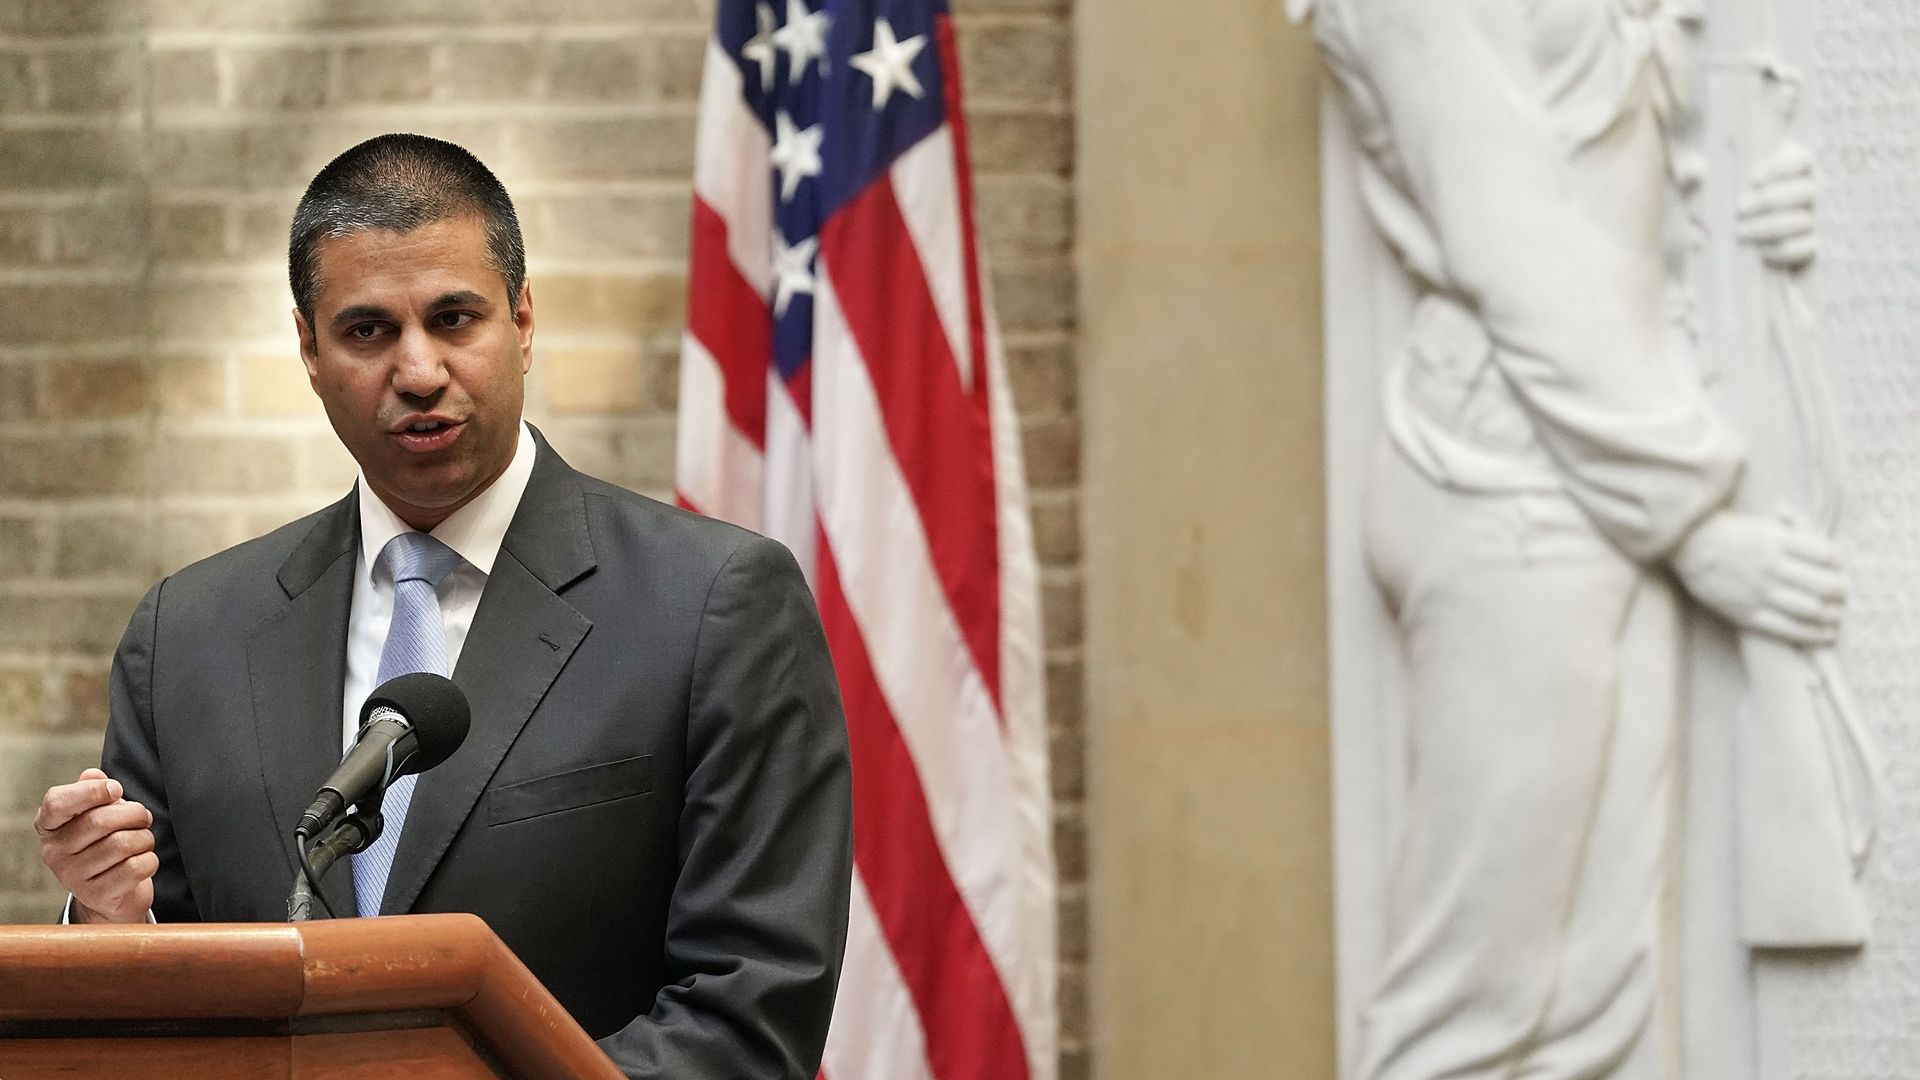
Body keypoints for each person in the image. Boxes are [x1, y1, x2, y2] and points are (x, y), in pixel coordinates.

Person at [30, 133, 852, 1079]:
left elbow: (750, 1013)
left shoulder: (714, 604)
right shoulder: (187, 636)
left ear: (524, 322)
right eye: (367, 331)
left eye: (455, 318)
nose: (419, 371)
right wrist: (107, 921)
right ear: (307, 349)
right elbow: (152, 1007)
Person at [1298, 1, 1847, 1077]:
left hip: (1600, 482)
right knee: (1474, 1004)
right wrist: (1693, 528)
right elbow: (1515, 249)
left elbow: (1624, 204)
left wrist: (1759, 218)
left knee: (1602, 1004)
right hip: (1509, 489)